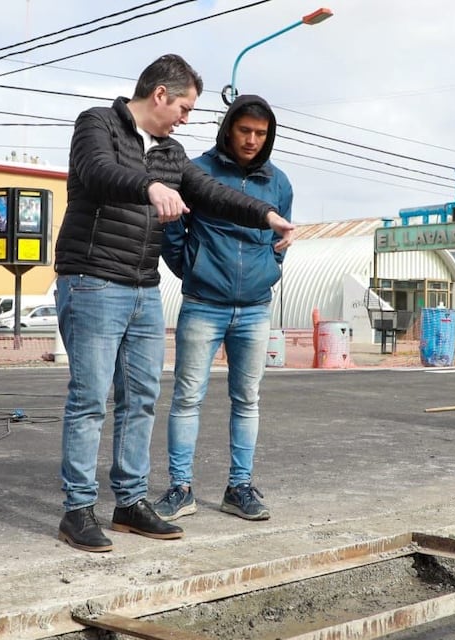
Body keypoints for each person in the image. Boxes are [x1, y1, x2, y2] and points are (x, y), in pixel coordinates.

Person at [53, 54, 295, 553]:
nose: (187, 117)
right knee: (90, 399)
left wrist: (266, 214)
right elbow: (98, 174)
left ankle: (129, 502)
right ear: (160, 95)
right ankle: (78, 509)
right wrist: (148, 186)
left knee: (140, 398)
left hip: (143, 287)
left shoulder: (170, 152)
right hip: (93, 280)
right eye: (184, 106)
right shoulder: (97, 124)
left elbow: (210, 191)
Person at [155, 95, 292, 523]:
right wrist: (193, 271)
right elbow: (173, 229)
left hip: (254, 309)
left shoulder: (279, 183)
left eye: (260, 134)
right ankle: (180, 488)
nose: (251, 140)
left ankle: (240, 486)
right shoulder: (197, 171)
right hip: (202, 303)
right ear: (228, 128)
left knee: (247, 399)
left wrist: (268, 269)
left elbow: (281, 242)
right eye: (244, 130)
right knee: (186, 399)